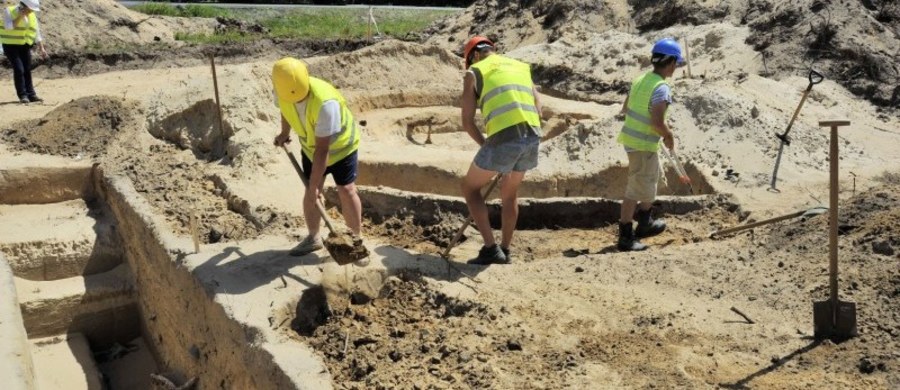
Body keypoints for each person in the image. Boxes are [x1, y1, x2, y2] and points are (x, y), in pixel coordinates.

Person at [459, 36, 543, 265]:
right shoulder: (520, 66)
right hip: (532, 134)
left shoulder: (474, 72)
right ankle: (506, 250)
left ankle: (490, 249)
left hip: (505, 136)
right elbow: (539, 108)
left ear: (474, 55)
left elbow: (467, 122)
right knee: (510, 194)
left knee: (470, 188)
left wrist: (488, 148)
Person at [271, 57, 364, 257]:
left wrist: (314, 188)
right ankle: (313, 237)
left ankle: (356, 242)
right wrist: (284, 133)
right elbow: (285, 110)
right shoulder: (283, 89)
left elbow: (323, 149)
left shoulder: (325, 102)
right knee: (310, 192)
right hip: (311, 149)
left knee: (346, 190)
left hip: (341, 148)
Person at [616, 38, 684, 251]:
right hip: (642, 143)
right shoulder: (661, 87)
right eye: (676, 63)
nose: (677, 68)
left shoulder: (641, 79)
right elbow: (656, 122)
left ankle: (645, 222)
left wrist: (657, 125)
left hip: (634, 140)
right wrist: (668, 134)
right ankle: (626, 236)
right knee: (635, 189)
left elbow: (626, 108)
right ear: (671, 62)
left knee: (649, 180)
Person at [2, 0, 47, 104]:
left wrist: (42, 48)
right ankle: (23, 95)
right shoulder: (9, 11)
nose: (31, 12)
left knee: (27, 69)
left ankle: (31, 95)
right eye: (30, 9)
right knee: (19, 69)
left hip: (24, 45)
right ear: (24, 6)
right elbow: (8, 27)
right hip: (10, 46)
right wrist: (20, 17)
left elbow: (37, 32)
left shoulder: (32, 15)